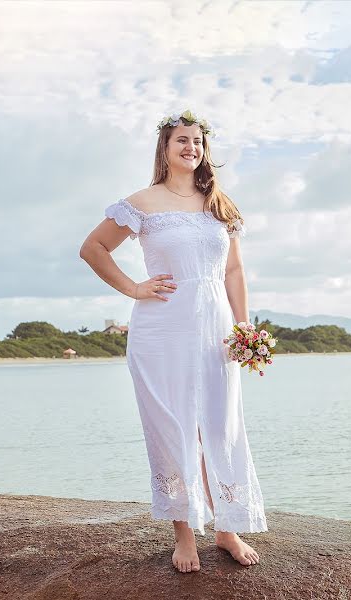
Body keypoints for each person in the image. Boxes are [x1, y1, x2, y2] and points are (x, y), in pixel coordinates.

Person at [79, 111, 266, 573]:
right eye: (182, 140)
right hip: (162, 329)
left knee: (220, 423)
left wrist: (245, 327)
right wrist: (135, 288)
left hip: (215, 327)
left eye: (198, 141)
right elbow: (93, 249)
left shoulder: (218, 202)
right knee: (175, 425)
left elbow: (234, 270)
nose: (192, 148)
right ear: (165, 149)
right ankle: (184, 532)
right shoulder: (143, 202)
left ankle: (226, 526)